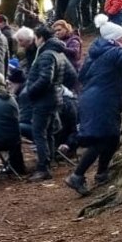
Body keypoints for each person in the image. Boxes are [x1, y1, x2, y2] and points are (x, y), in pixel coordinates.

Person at [63, 19, 122, 195]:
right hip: (101, 101)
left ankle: (101, 173)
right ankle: (77, 176)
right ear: (113, 39)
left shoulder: (96, 53)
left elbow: (81, 76)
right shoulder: (114, 52)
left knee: (112, 138)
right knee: (101, 140)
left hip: (95, 99)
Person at [20, 24, 76, 181]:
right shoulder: (58, 53)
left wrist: (31, 91)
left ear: (41, 38)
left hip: (44, 100)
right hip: (54, 98)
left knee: (39, 133)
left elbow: (45, 78)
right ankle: (48, 162)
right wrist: (58, 87)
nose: (35, 41)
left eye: (36, 38)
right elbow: (71, 75)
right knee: (49, 132)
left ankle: (43, 168)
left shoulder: (46, 55)